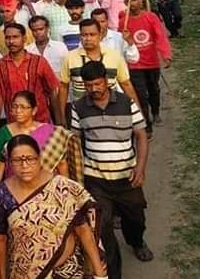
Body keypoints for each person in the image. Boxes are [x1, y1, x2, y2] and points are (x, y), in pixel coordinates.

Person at [71, 61, 151, 278]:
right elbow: (75, 141)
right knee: (103, 228)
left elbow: (141, 135)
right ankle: (114, 273)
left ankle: (136, 241)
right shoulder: (79, 108)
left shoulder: (127, 103)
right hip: (95, 180)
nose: (94, 89)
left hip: (127, 177)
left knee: (135, 218)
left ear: (106, 81)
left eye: (97, 84)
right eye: (88, 85)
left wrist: (140, 168)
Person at [0, 134, 105, 279]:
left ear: (39, 159)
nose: (25, 166)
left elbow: (83, 230)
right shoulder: (2, 195)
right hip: (27, 274)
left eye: (30, 159)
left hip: (69, 270)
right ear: (9, 163)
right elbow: (1, 239)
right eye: (17, 160)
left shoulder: (62, 187)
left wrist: (99, 274)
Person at [57, 19, 142, 127]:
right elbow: (63, 87)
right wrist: (62, 117)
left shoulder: (114, 56)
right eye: (84, 35)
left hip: (112, 112)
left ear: (100, 35)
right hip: (82, 114)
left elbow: (126, 85)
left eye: (92, 34)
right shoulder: (69, 58)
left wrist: (138, 112)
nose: (88, 39)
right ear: (80, 36)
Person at [0, 91, 74, 188]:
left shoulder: (50, 132)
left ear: (34, 110)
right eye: (15, 106)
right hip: (16, 187)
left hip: (46, 188)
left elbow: (61, 163)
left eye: (23, 107)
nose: (18, 111)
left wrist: (66, 188)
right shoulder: (4, 132)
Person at [0, 23, 61, 126]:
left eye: (15, 37)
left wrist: (58, 121)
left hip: (41, 122)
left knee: (44, 142)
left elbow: (52, 90)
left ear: (24, 38)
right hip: (14, 124)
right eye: (8, 38)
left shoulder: (39, 61)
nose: (11, 41)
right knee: (18, 143)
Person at [121, 0, 172, 128]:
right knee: (140, 94)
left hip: (152, 62)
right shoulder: (123, 22)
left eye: (134, 0)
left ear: (140, 0)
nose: (131, 4)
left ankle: (155, 112)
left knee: (154, 89)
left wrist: (166, 54)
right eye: (127, 2)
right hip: (135, 65)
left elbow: (160, 36)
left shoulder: (151, 17)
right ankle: (146, 121)